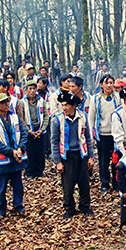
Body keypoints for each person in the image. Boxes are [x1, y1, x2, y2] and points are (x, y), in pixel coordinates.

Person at [50, 91, 94, 219]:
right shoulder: (57, 120)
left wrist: (90, 156)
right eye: (62, 105)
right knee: (68, 184)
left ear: (74, 105)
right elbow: (54, 141)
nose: (64, 108)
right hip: (67, 156)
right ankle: (69, 208)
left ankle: (85, 206)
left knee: (84, 182)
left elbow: (87, 138)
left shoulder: (82, 117)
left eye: (67, 105)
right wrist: (57, 161)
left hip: (81, 154)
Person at [0, 92, 28, 217]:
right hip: (1, 161)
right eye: (3, 102)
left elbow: (23, 134)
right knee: (1, 187)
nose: (6, 104)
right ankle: (0, 210)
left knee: (18, 185)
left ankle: (18, 206)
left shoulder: (15, 117)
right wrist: (11, 152)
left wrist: (21, 148)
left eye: (7, 102)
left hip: (17, 159)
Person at [89, 74, 121, 192]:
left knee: (116, 159)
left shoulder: (118, 98)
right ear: (101, 84)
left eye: (111, 83)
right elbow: (91, 117)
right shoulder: (95, 99)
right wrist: (91, 135)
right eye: (106, 83)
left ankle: (116, 182)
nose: (109, 85)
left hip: (115, 135)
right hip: (102, 134)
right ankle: (105, 183)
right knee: (103, 160)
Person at [22, 80, 48, 178]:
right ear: (26, 90)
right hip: (28, 131)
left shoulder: (41, 100)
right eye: (30, 89)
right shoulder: (22, 102)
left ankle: (39, 171)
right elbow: (21, 118)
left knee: (40, 152)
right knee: (30, 152)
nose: (32, 91)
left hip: (40, 130)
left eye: (34, 88)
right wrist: (28, 131)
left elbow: (46, 115)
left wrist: (42, 129)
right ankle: (29, 172)